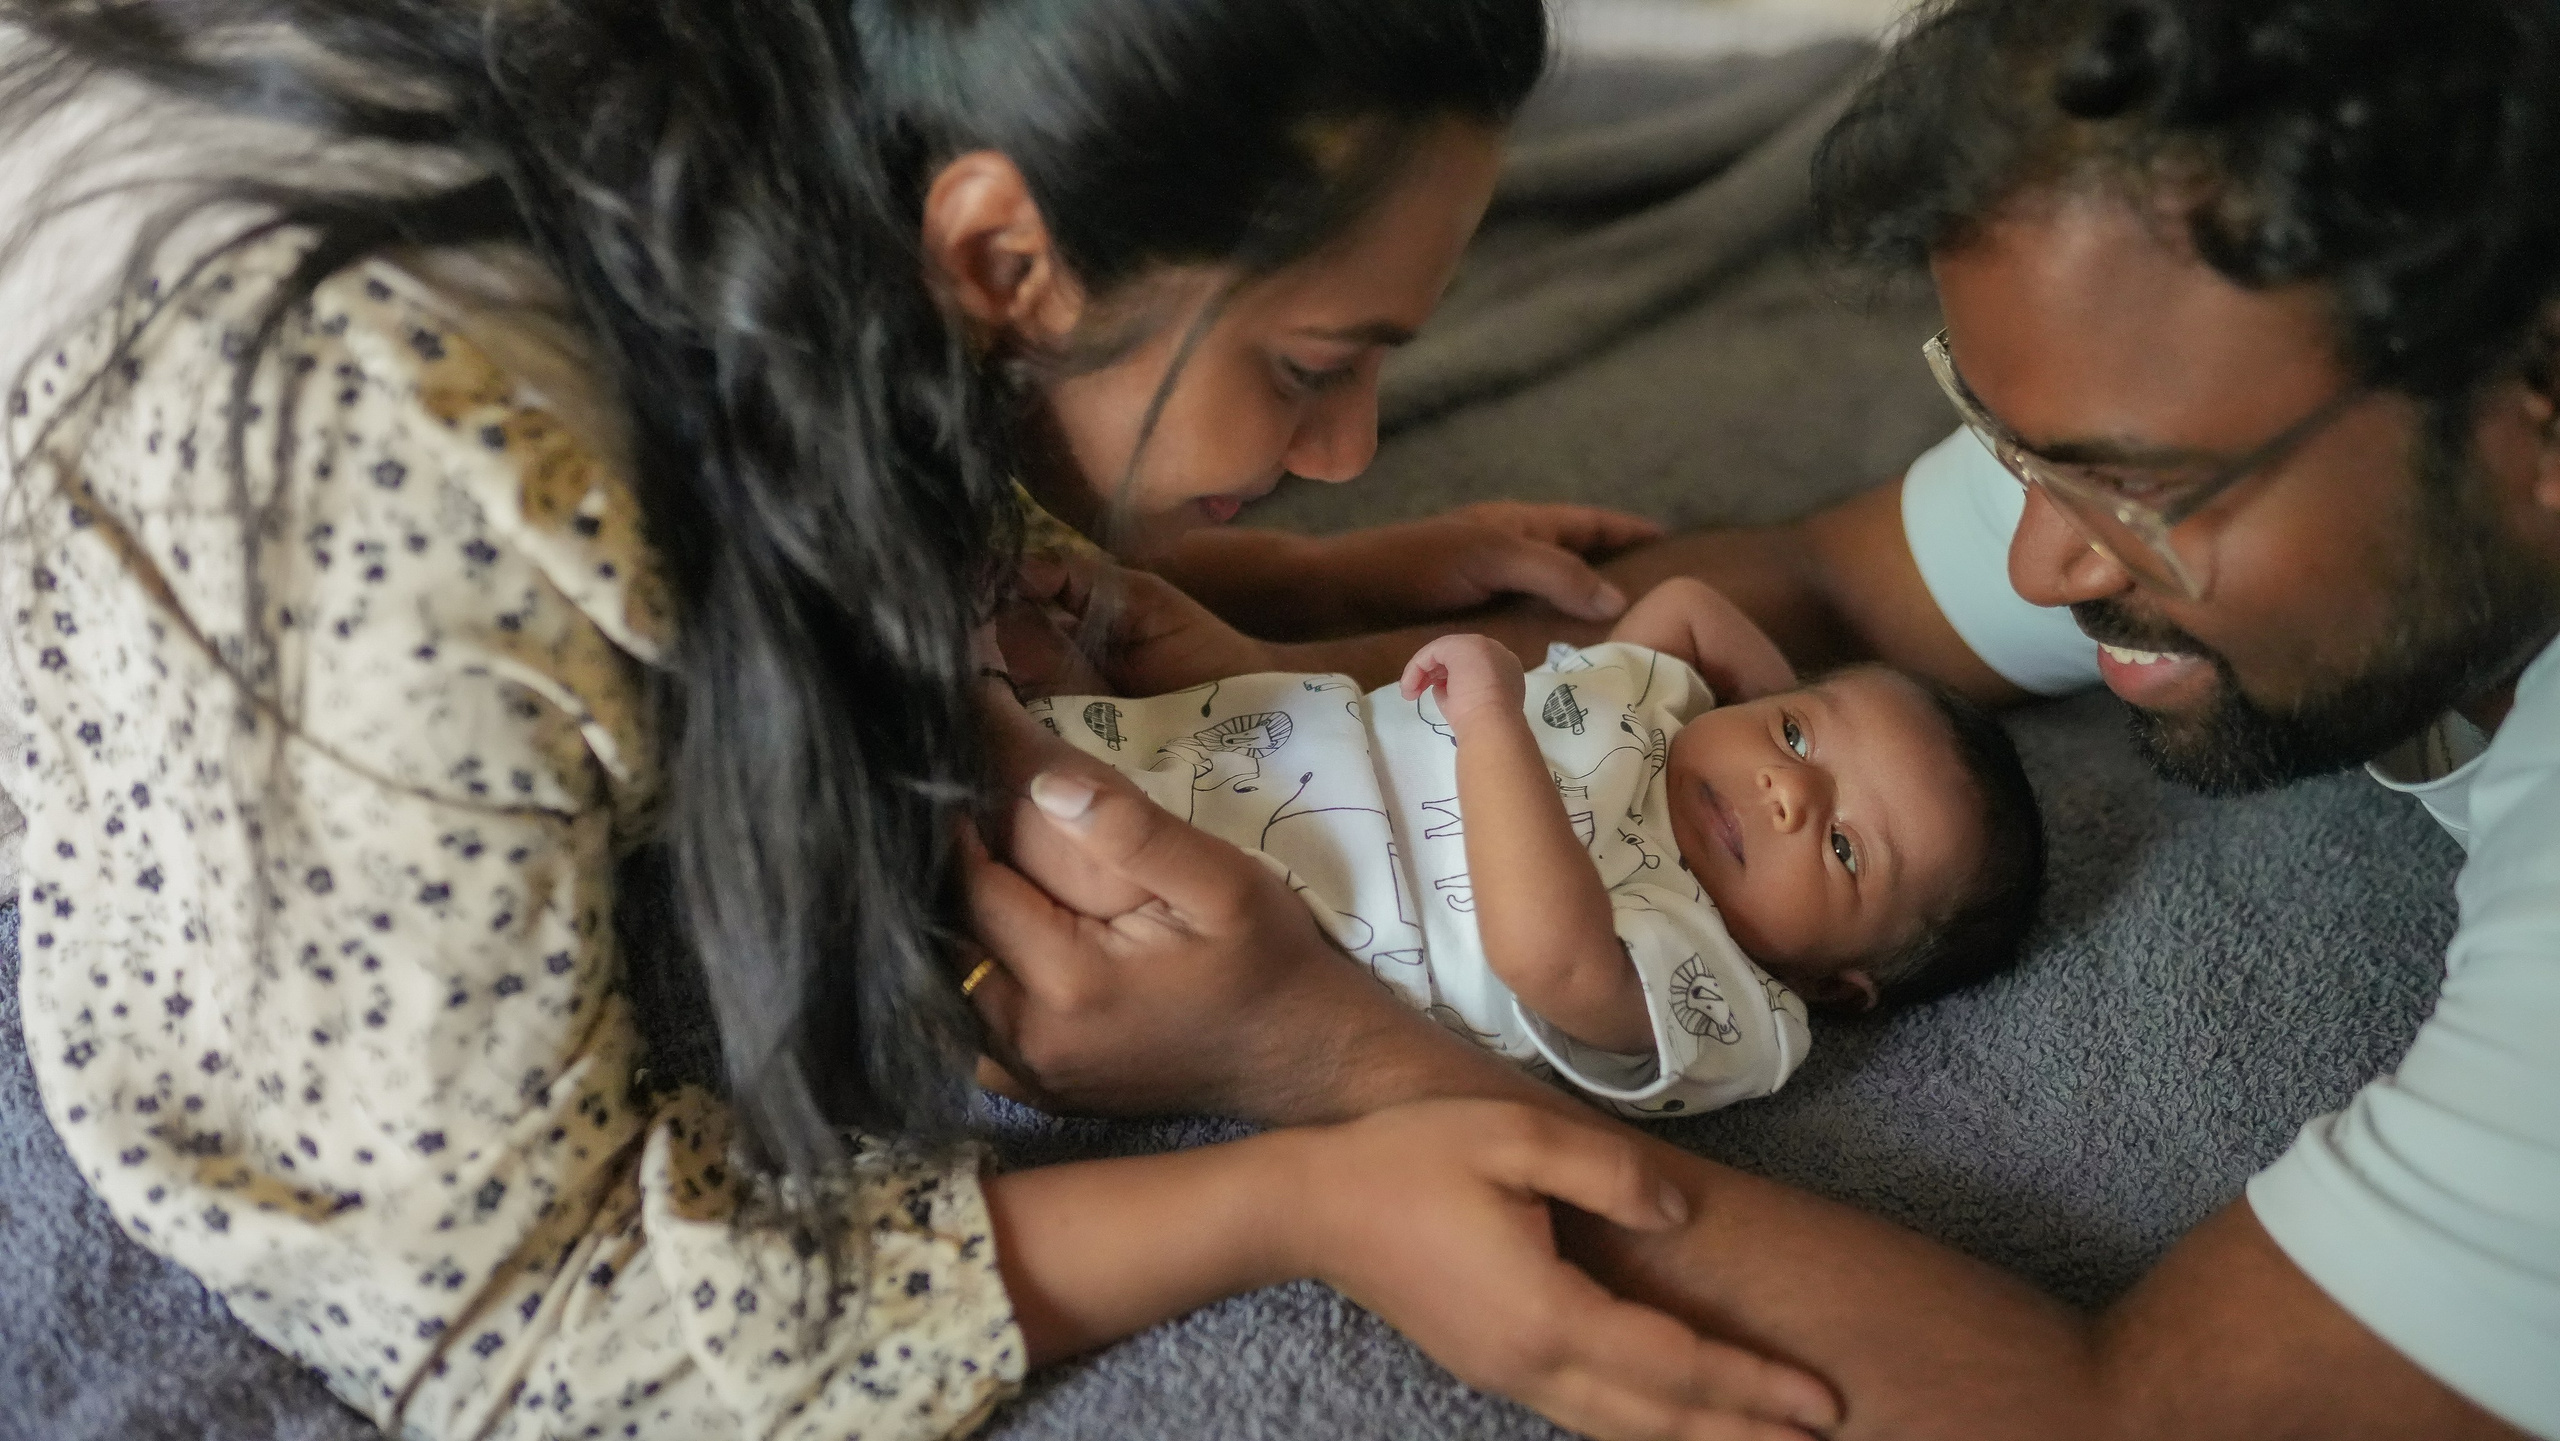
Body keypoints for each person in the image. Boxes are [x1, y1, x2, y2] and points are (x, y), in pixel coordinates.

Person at [0, 2, 1849, 1438]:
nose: (1356, 451)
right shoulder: (396, 499)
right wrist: (1302, 1199)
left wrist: (1253, 588)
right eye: (1311, 366)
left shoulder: (840, 129)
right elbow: (513, 1322)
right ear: (1000, 259)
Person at [1372, 0, 2551, 1434]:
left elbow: (2140, 1421)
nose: (2037, 567)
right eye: (2012, 451)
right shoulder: (2259, 322)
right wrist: (1263, 658)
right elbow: (1839, 593)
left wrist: (1314, 1053)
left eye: (2129, 492)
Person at [1021, 575, 2043, 1118]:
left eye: (1845, 849)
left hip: (1235, 911)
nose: (1786, 793)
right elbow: (1690, 603)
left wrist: (1495, 727)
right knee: (1024, 679)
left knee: (1032, 848)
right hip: (1230, 742)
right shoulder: (1666, 711)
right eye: (1795, 733)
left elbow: (1544, 958)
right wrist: (1750, 706)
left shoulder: (1724, 995)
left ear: (1836, 985)